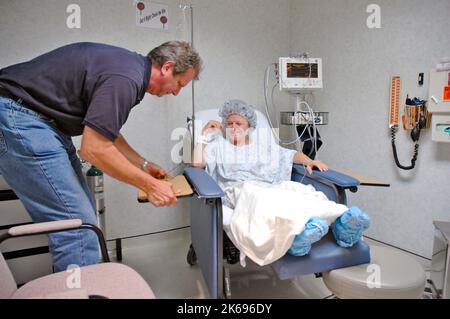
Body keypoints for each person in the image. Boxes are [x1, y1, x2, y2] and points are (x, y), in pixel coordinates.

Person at [0, 41, 202, 272]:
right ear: (167, 67)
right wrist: (151, 186)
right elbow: (93, 149)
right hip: (19, 118)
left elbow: (106, 132)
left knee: (83, 220)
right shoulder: (126, 78)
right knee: (77, 228)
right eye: (179, 84)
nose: (175, 92)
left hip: (38, 121)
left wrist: (144, 164)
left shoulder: (129, 68)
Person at [193, 100, 370, 264]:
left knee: (299, 191)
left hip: (269, 187)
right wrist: (203, 134)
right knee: (262, 199)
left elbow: (290, 154)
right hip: (242, 190)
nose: (233, 127)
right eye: (229, 123)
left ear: (249, 126)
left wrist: (309, 161)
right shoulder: (218, 146)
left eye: (238, 123)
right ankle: (298, 237)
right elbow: (197, 163)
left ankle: (343, 223)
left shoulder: (262, 147)